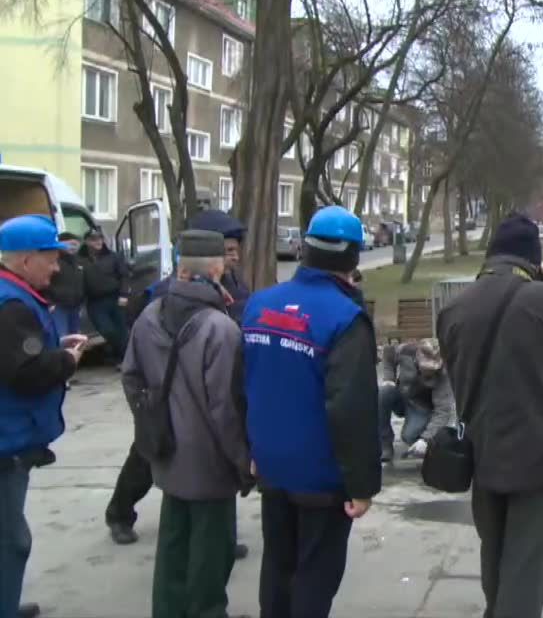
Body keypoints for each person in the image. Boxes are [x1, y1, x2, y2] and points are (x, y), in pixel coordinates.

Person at [436, 213, 543, 618]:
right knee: (527, 565)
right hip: (539, 454)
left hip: (483, 450)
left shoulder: (455, 308)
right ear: (535, 260)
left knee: (494, 555)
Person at [242, 206, 380, 618]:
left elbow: (245, 384)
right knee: (314, 578)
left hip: (271, 465)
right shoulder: (346, 319)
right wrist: (362, 484)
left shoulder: (258, 305)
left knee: (278, 567)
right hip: (322, 476)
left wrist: (253, 448)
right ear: (353, 257)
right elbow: (351, 409)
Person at [121, 230, 252, 618]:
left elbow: (130, 377)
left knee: (174, 546)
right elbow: (226, 410)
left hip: (166, 452)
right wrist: (244, 462)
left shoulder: (149, 316)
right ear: (216, 270)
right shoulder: (220, 329)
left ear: (179, 269)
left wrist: (151, 421)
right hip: (209, 461)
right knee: (211, 555)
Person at [0, 215, 88, 618]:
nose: (57, 267)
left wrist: (55, 347)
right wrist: (66, 360)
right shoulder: (11, 305)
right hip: (6, 444)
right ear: (24, 261)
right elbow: (26, 372)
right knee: (10, 541)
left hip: (12, 438)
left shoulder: (12, 296)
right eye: (50, 258)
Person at [378, 339, 456, 463]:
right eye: (426, 367)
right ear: (418, 357)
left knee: (409, 437)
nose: (429, 371)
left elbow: (443, 411)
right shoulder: (407, 350)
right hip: (401, 396)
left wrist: (425, 439)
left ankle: (421, 438)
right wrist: (389, 378)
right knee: (383, 392)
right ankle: (384, 444)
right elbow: (388, 352)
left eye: (433, 368)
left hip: (421, 406)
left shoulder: (443, 373)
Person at [79, 228, 129, 363]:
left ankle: (124, 360)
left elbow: (124, 276)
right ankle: (115, 352)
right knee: (106, 330)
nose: (98, 242)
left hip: (115, 298)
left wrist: (124, 295)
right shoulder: (80, 259)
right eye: (94, 239)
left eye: (100, 238)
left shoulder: (114, 256)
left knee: (121, 330)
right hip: (95, 301)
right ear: (87, 242)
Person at [43, 232, 84, 339]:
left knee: (75, 337)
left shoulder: (78, 261)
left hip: (75, 306)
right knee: (61, 337)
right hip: (58, 306)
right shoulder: (52, 260)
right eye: (70, 244)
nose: (73, 247)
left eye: (75, 244)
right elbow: (43, 283)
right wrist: (49, 302)